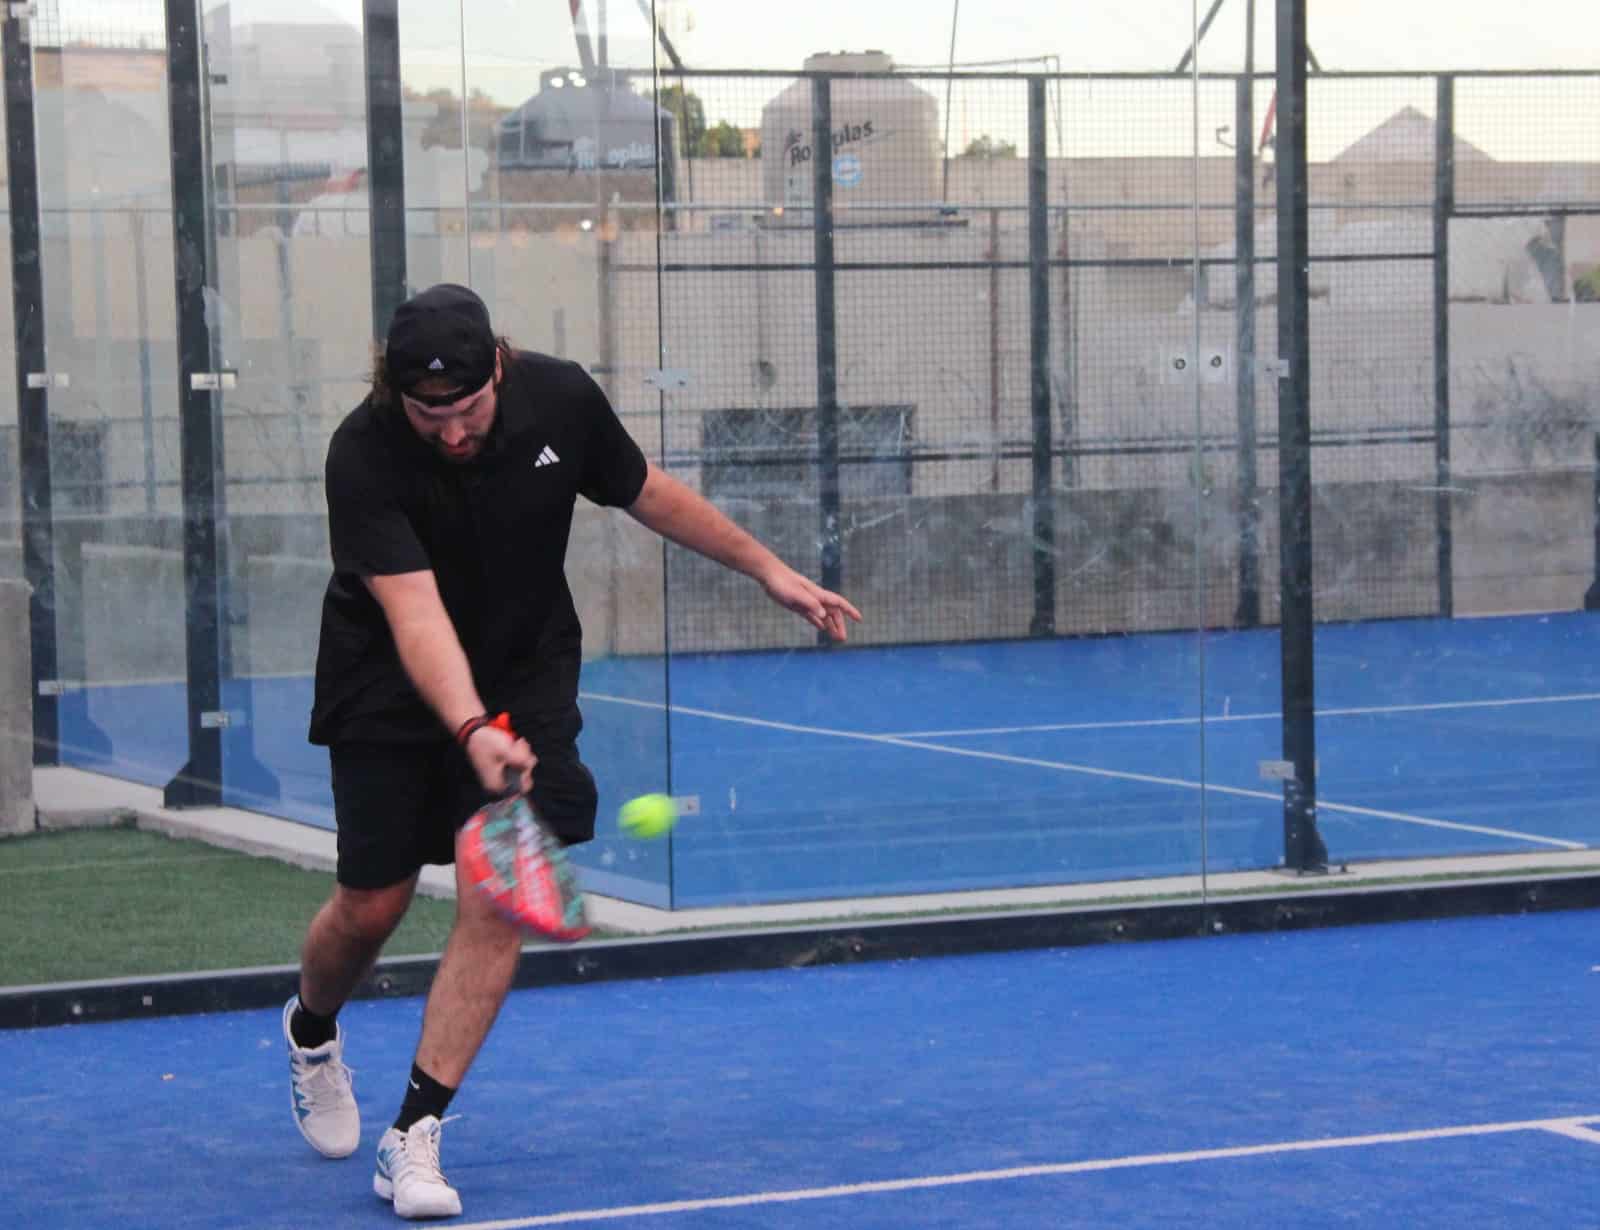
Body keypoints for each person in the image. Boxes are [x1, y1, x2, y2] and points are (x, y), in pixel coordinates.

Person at [282, 283, 861, 1220]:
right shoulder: (362, 451)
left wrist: (770, 570)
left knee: (500, 885)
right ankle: (312, 1033)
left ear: (500, 368)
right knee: (370, 904)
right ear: (396, 394)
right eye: (431, 414)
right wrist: (469, 728)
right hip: (386, 681)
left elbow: (649, 493)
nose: (452, 431)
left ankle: (414, 1135)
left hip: (525, 670)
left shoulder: (561, 398)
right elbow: (414, 613)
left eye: (466, 409)